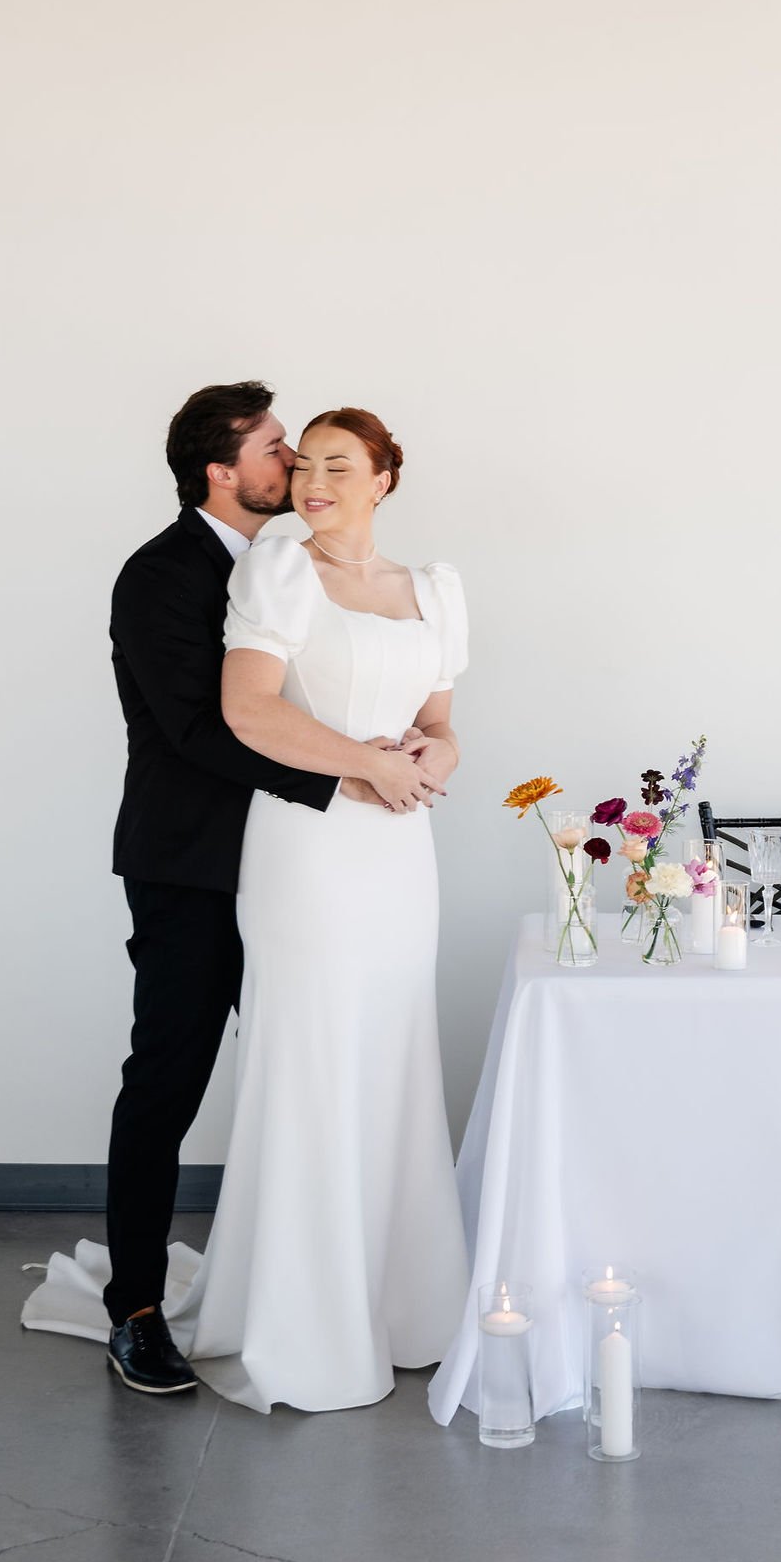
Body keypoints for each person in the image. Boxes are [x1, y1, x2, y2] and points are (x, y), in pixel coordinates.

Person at [21, 383, 431, 1396]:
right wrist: (345, 776)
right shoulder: (160, 575)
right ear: (221, 469)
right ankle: (137, 1310)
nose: (292, 466)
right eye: (275, 450)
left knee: (319, 1075)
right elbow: (202, 730)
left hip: (307, 874)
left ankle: (327, 1295)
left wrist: (394, 747)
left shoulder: (299, 565)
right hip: (195, 868)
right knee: (167, 1080)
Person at [188, 405, 471, 1411]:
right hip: (307, 844)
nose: (313, 483)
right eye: (302, 466)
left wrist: (431, 759)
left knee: (392, 1054)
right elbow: (246, 707)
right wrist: (364, 768)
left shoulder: (430, 588)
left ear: (385, 477)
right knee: (312, 1052)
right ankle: (304, 1324)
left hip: (401, 853)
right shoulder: (276, 569)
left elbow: (437, 722)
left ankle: (400, 1308)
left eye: (338, 467)